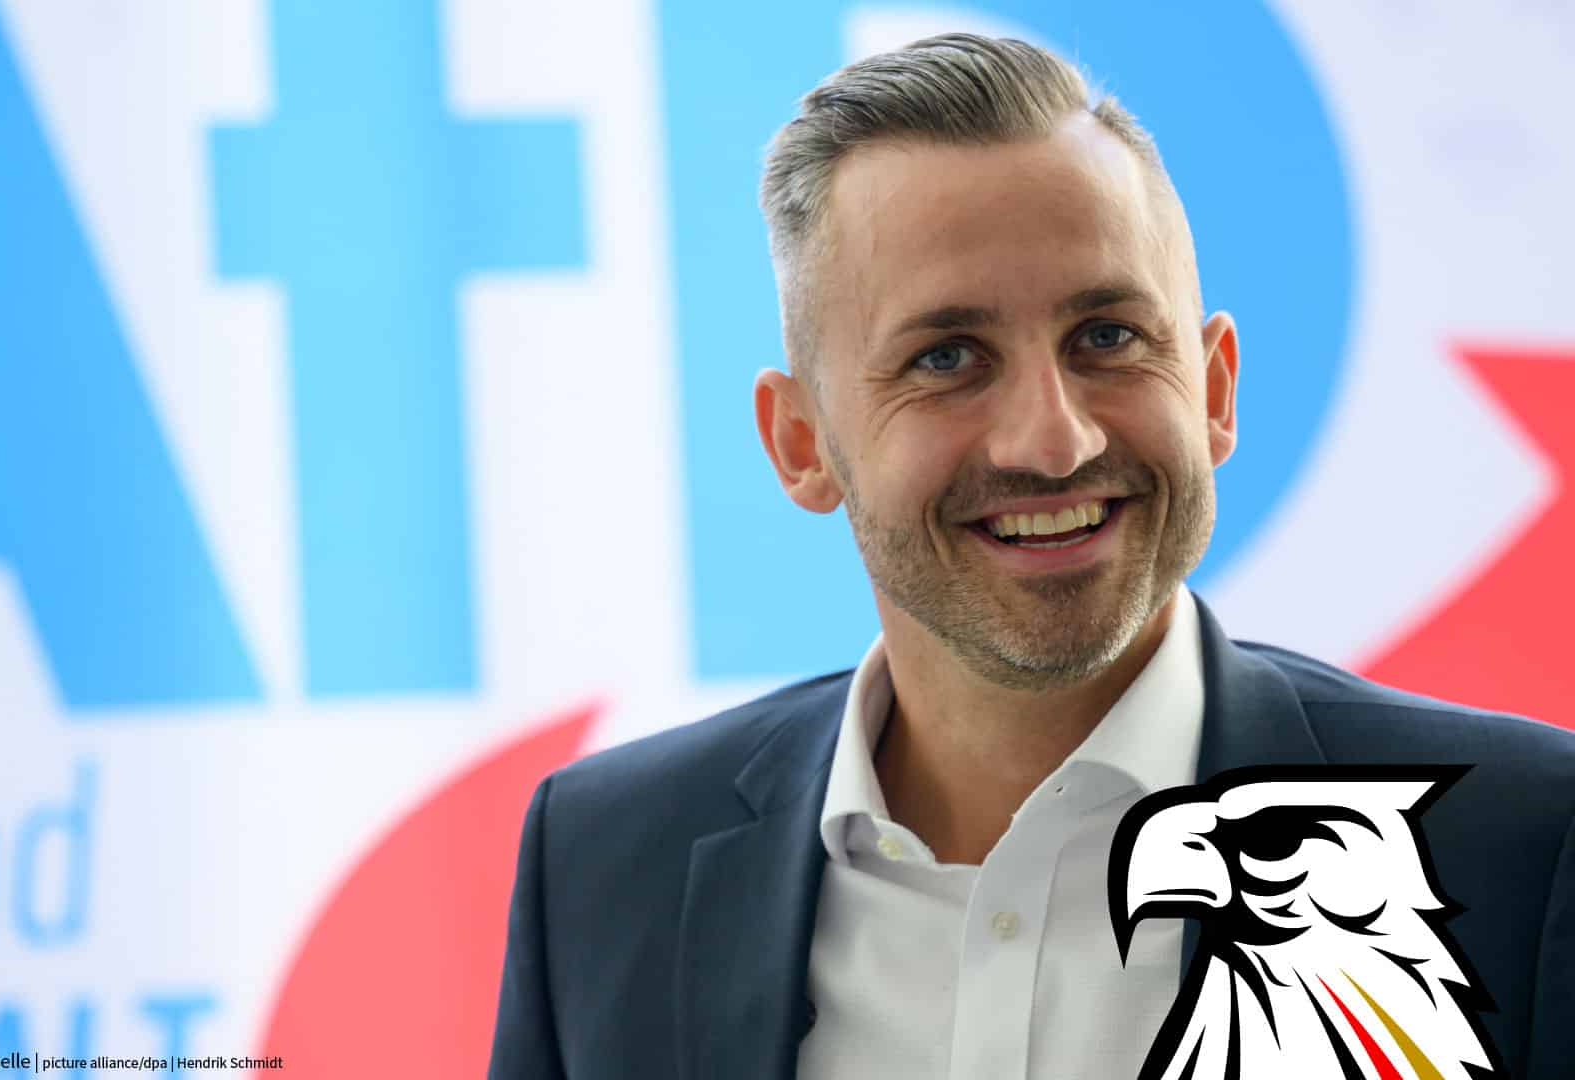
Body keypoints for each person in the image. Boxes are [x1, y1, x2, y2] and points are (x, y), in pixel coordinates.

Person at [487, 33, 1575, 1080]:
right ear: (802, 444)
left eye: (1107, 337)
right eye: (947, 358)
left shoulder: (1523, 845)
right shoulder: (605, 862)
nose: (1054, 441)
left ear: (1213, 390)